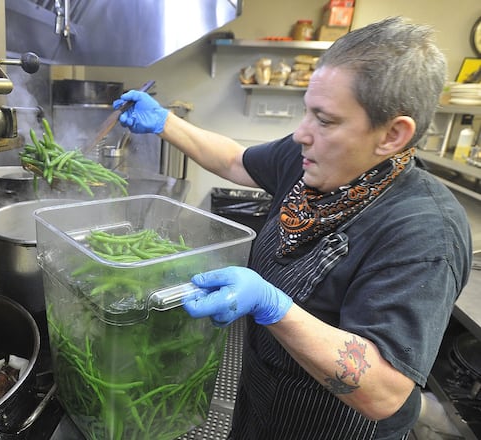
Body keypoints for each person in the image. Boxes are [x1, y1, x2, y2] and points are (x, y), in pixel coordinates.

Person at [113, 16, 472, 440]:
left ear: (393, 135)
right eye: (307, 112)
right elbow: (234, 160)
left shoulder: (424, 232)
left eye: (324, 120)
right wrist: (164, 123)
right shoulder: (314, 163)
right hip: (261, 406)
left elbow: (385, 392)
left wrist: (273, 306)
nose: (301, 133)